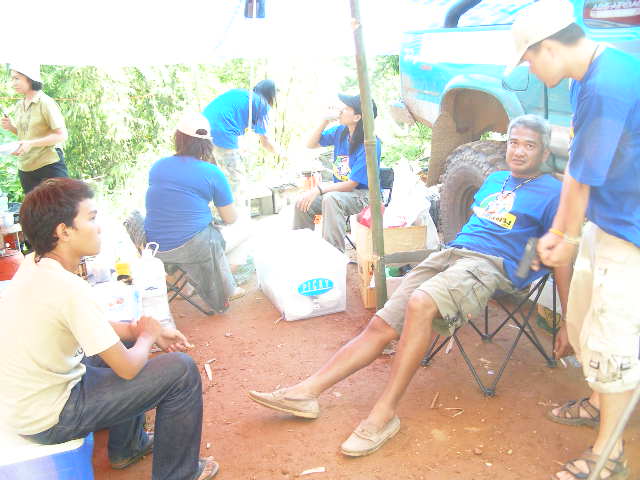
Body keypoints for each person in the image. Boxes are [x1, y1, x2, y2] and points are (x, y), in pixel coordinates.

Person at [250, 115, 571, 456]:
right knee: (381, 324)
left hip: (491, 266)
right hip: (453, 253)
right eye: (513, 143)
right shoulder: (495, 179)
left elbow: (563, 255)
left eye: (529, 145)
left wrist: (568, 319)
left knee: (421, 302)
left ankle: (384, 413)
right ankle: (307, 392)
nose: (518, 151)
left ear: (544, 151)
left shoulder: (556, 192)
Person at [0, 178, 219, 480]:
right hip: (52, 418)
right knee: (181, 371)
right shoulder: (67, 287)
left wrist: (137, 331)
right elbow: (128, 369)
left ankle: (128, 446)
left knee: (122, 343)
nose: (99, 227)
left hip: (29, 405)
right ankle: (178, 474)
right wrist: (148, 336)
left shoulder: (33, 266)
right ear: (63, 231)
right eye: (91, 218)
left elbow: (96, 329)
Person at [509, 1, 640, 479]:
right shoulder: (586, 77)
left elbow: (580, 178)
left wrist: (561, 235)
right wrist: (562, 233)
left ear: (548, 48)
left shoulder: (606, 84)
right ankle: (599, 403)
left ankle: (610, 455)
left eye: (528, 59)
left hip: (632, 229)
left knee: (612, 339)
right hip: (610, 216)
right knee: (584, 320)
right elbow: (579, 171)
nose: (529, 69)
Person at [145, 112, 243, 313]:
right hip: (194, 248)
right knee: (219, 233)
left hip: (155, 250)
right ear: (207, 144)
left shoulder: (157, 167)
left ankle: (183, 285)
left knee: (180, 227)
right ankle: (228, 288)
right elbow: (230, 218)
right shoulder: (212, 172)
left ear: (178, 138)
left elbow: (169, 206)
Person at [293, 93, 382, 253]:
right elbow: (310, 144)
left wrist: (318, 189)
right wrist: (325, 120)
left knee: (331, 199)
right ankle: (301, 251)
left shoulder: (370, 143)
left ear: (357, 117)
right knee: (303, 202)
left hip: (365, 195)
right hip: (341, 193)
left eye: (346, 108)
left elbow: (352, 184)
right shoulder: (341, 132)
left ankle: (333, 255)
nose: (340, 110)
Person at [202, 79, 284, 194]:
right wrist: (282, 154)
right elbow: (265, 142)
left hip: (200, 131)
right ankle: (235, 206)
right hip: (222, 133)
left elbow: (230, 116)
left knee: (214, 180)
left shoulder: (241, 94)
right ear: (271, 95)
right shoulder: (262, 105)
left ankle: (210, 205)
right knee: (235, 182)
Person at [0, 64, 69, 194]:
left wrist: (31, 143)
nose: (13, 83)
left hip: (48, 165)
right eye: (12, 79)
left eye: (17, 78)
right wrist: (11, 127)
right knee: (34, 207)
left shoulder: (46, 103)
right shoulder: (19, 105)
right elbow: (27, 136)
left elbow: (61, 135)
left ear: (30, 78)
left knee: (60, 205)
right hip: (26, 168)